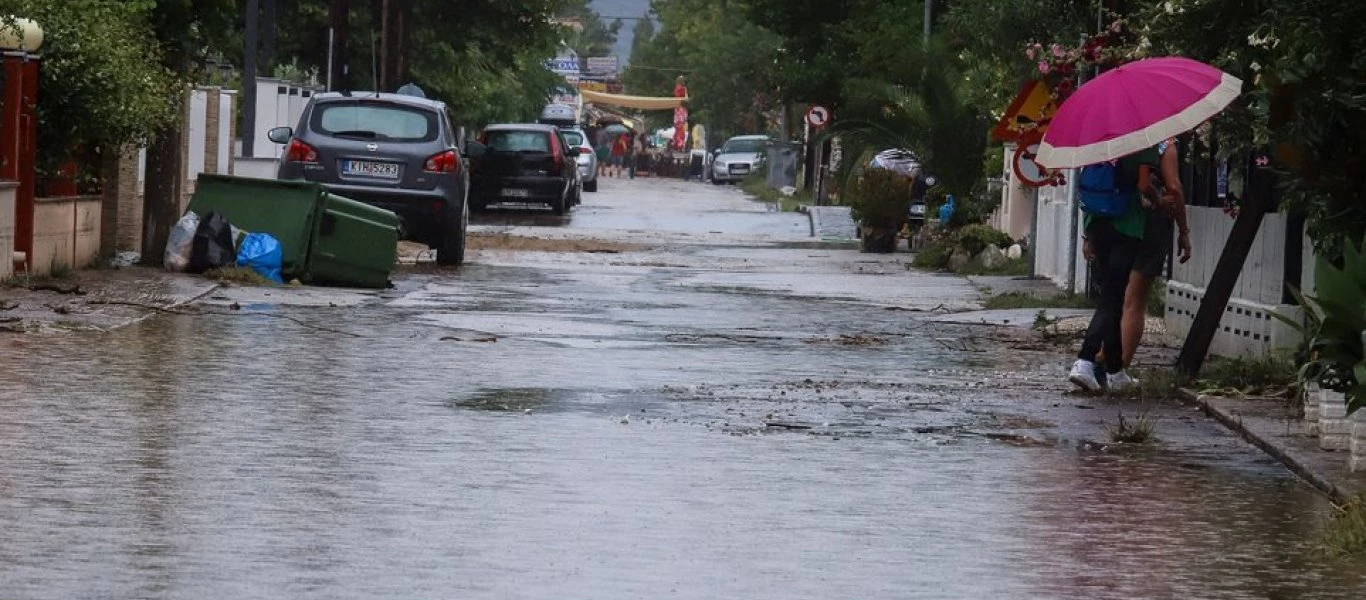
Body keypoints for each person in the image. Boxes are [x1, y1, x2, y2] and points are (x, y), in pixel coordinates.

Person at [1069, 145, 1162, 392]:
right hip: (1126, 225)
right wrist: (1160, 200)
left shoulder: (1098, 144)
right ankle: (1084, 360)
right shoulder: (1141, 143)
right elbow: (1144, 184)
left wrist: (1087, 235)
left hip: (1097, 223)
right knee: (1111, 299)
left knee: (1112, 297)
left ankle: (1115, 371)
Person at [1117, 137, 1192, 371]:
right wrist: (1183, 230)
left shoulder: (1120, 138)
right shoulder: (1163, 142)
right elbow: (1174, 188)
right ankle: (1118, 369)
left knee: (1114, 297)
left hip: (1117, 219)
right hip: (1149, 224)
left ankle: (1094, 359)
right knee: (1135, 303)